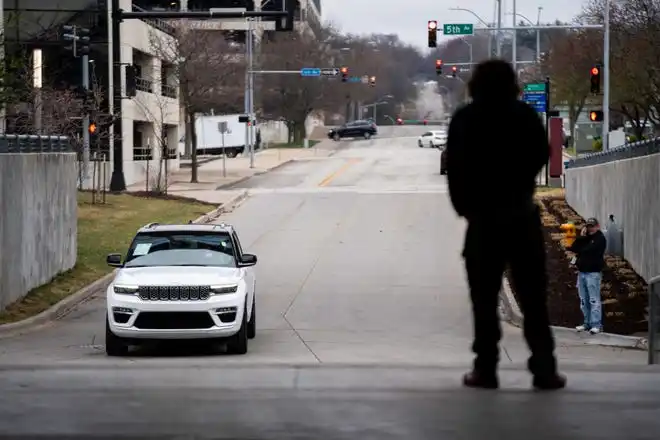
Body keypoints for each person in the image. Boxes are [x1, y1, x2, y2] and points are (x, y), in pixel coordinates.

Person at [445, 59, 566, 391]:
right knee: (533, 299)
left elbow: (453, 166)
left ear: (475, 84)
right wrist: (521, 181)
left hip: (482, 221)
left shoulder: (465, 119)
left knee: (483, 300)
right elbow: (543, 152)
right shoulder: (524, 116)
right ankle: (544, 368)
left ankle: (486, 369)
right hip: (521, 217)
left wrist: (465, 207)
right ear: (512, 83)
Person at [568, 217, 607, 334]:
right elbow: (574, 247)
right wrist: (582, 236)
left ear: (597, 226)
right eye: (589, 226)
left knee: (594, 300)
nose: (591, 228)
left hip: (593, 273)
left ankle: (596, 324)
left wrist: (582, 247)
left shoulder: (600, 239)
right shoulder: (586, 238)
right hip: (582, 273)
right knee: (584, 300)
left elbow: (589, 250)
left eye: (593, 226)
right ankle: (587, 323)